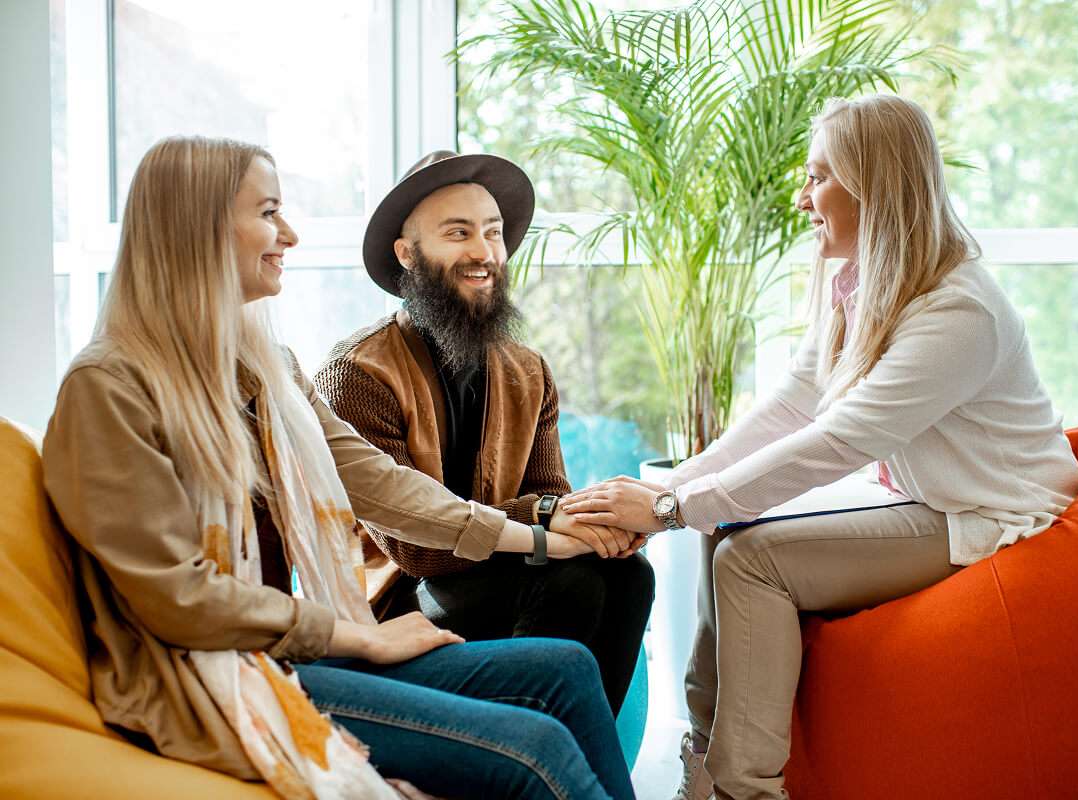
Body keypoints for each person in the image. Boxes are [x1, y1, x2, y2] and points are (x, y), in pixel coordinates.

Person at [41, 136, 636, 800]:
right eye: (269, 213)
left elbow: (380, 482)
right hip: (205, 677)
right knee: (535, 744)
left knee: (566, 668)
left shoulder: (267, 369)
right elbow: (176, 598)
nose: (290, 235)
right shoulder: (109, 387)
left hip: (285, 655)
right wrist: (356, 637)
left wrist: (540, 537)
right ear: (197, 226)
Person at [560, 95, 1078, 800]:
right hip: (927, 497)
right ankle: (704, 761)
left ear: (875, 185)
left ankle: (746, 790)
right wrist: (673, 492)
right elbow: (788, 409)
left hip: (993, 515)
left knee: (752, 559)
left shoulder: (959, 310)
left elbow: (839, 440)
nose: (803, 198)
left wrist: (668, 509)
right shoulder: (861, 283)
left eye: (818, 178)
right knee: (724, 527)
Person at [314, 150, 655, 714]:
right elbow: (414, 549)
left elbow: (551, 495)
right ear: (407, 254)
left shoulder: (528, 369)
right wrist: (544, 518)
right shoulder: (356, 373)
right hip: (396, 602)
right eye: (458, 233)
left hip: (506, 569)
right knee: (571, 581)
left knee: (627, 573)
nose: (484, 252)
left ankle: (570, 755)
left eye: (493, 233)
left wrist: (597, 524)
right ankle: (532, 747)